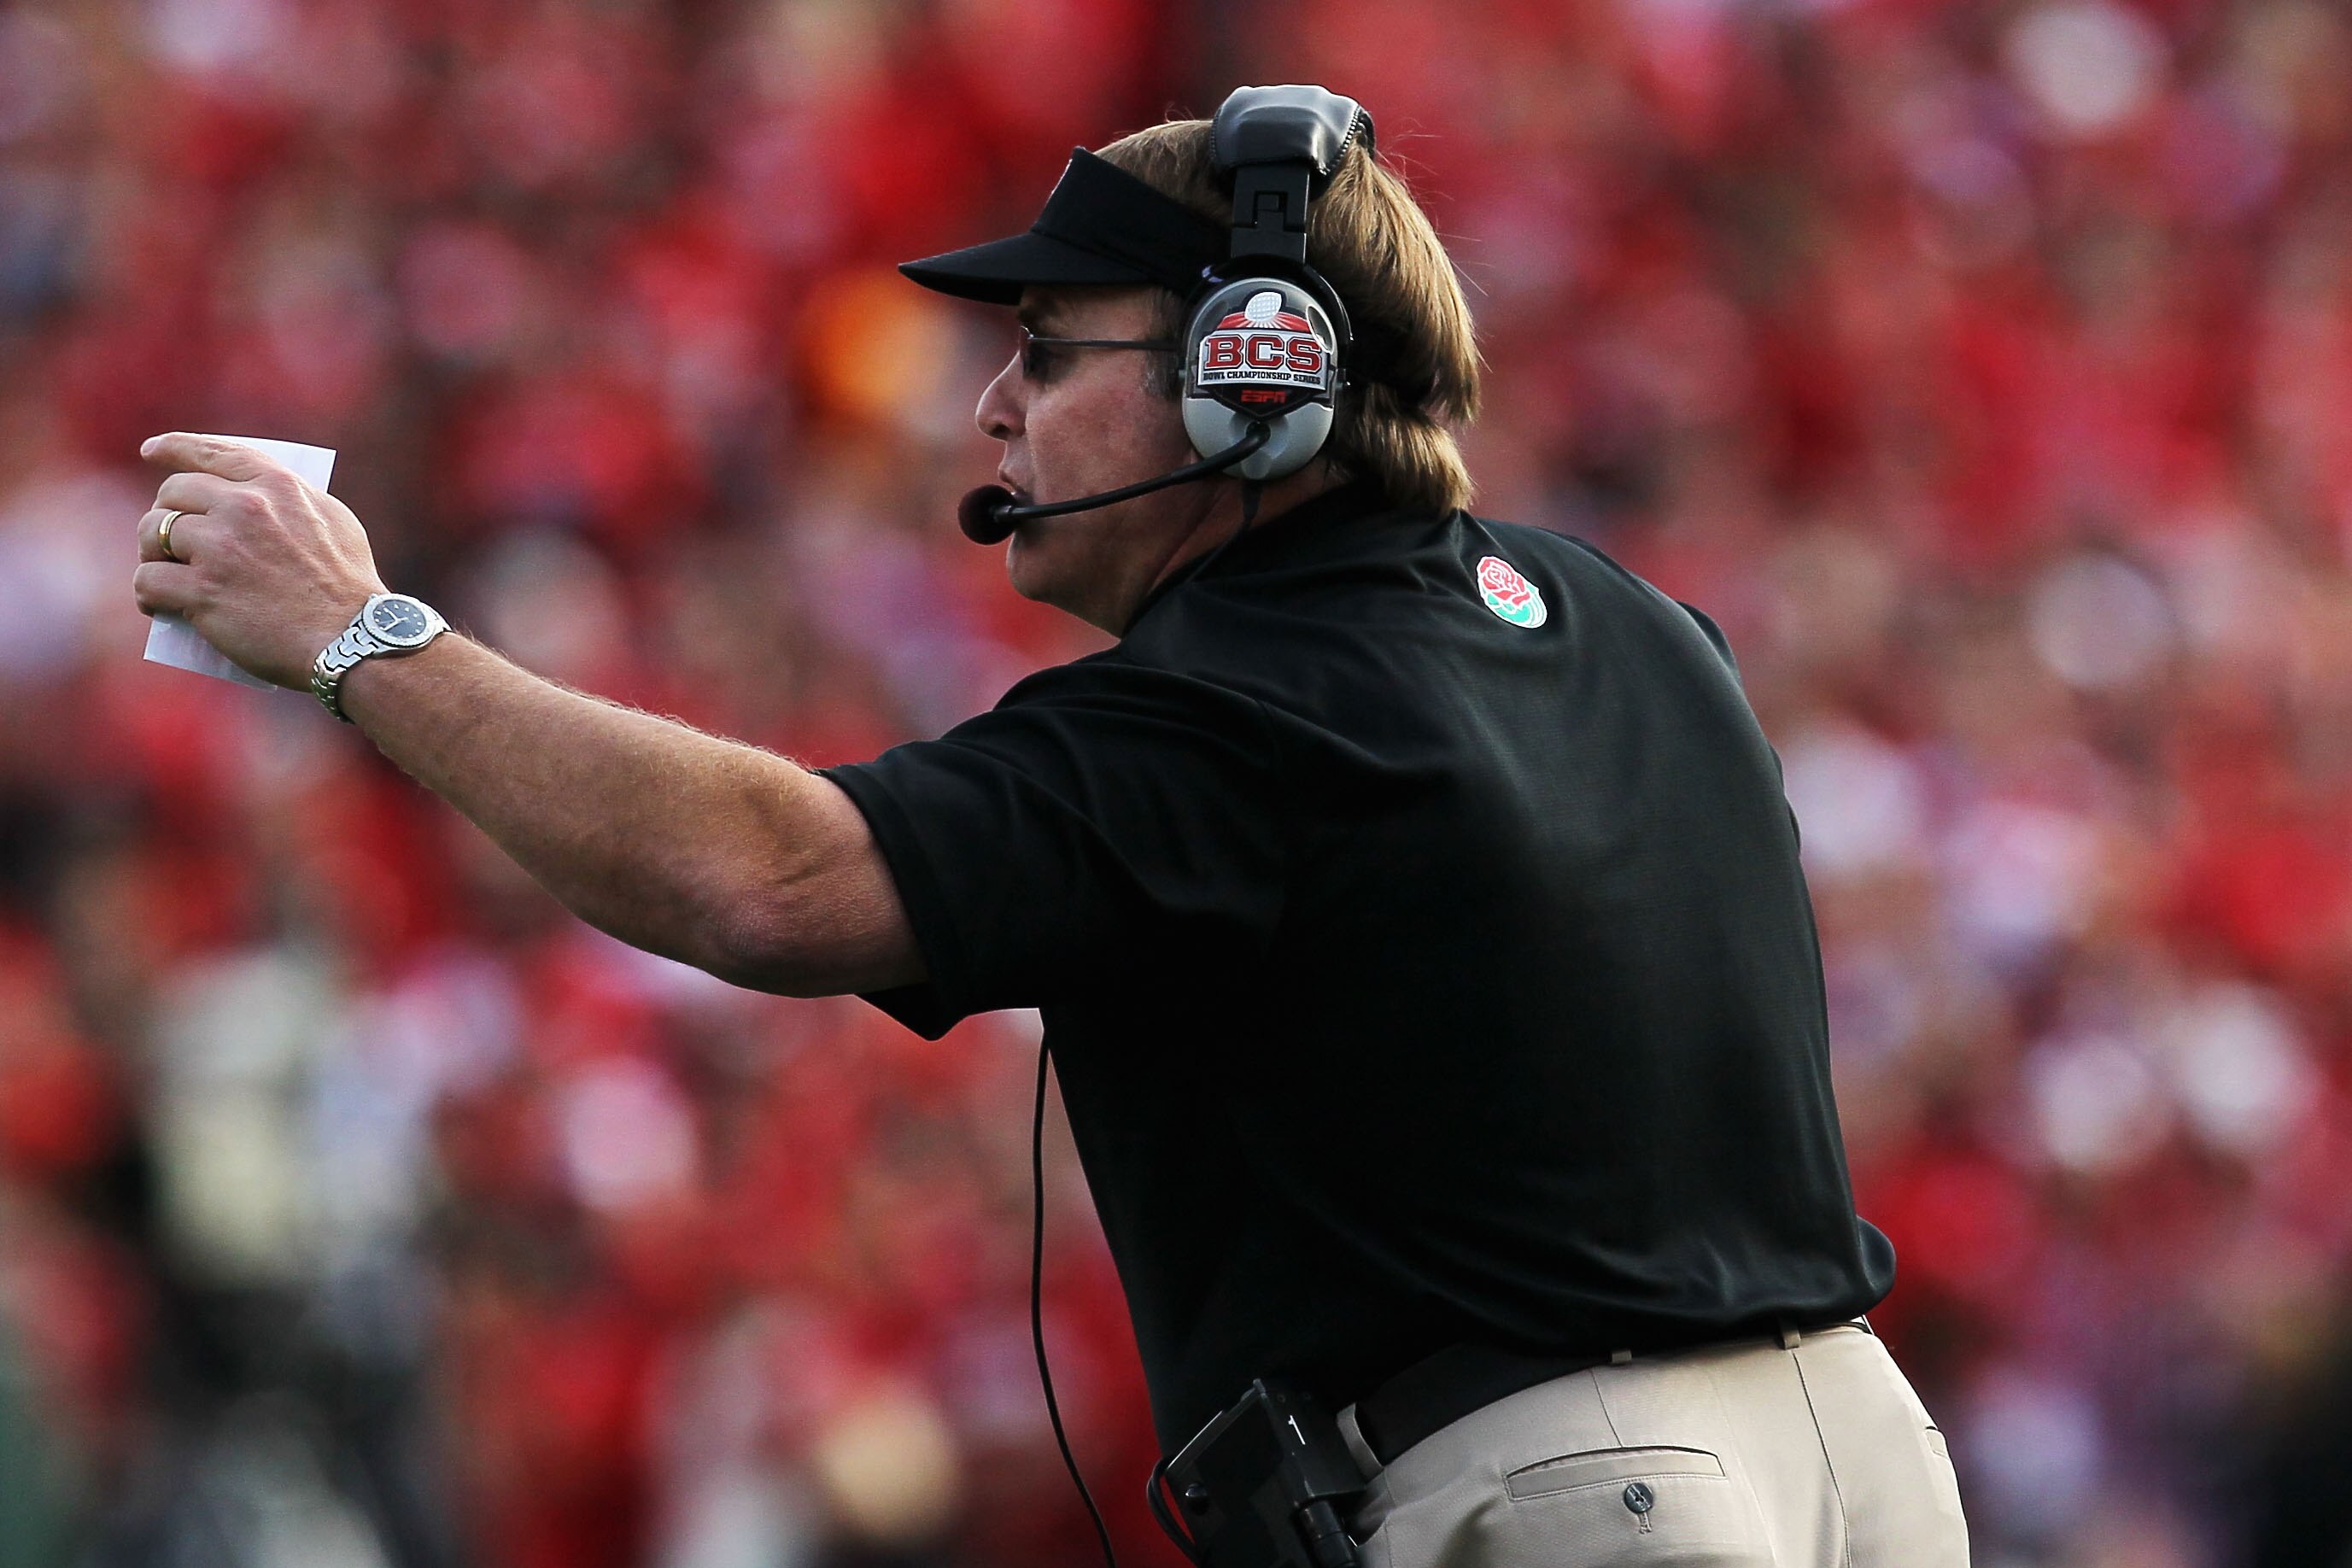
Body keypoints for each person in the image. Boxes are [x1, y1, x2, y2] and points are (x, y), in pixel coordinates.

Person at [129, 88, 1969, 1568]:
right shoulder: (1631, 619)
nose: (996, 401)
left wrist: (365, 638)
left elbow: (770, 884)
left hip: (1585, 1501)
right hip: (1867, 1464)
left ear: (1261, 375)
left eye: (1051, 344)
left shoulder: (1251, 706)